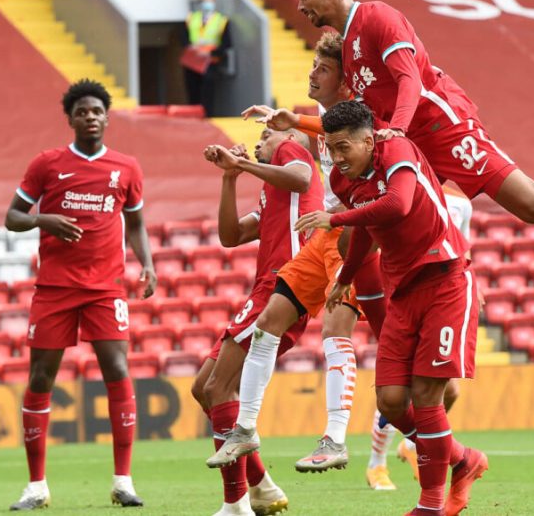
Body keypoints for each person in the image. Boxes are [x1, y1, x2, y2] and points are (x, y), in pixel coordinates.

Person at [282, 0, 534, 224]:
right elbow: (364, 115)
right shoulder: (348, 46)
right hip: (411, 143)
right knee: (382, 227)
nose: (299, 5)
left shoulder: (378, 17)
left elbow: (411, 80)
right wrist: (298, 121)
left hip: (442, 127)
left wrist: (400, 128)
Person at [296, 101, 488, 516]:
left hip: (444, 279)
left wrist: (335, 219)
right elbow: (368, 228)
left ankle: (430, 504)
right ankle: (461, 460)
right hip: (401, 288)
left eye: (345, 147)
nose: (338, 157)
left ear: (369, 140)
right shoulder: (343, 179)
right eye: (331, 148)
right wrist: (346, 277)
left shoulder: (397, 152)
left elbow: (398, 204)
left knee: (426, 394)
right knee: (391, 401)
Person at [5, 79, 157, 511]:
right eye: (82, 112)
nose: (90, 117)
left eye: (97, 111)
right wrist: (44, 220)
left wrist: (147, 263)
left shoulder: (126, 167)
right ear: (70, 119)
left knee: (117, 369)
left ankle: (123, 481)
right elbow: (12, 216)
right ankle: (36, 486)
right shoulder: (47, 164)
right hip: (55, 287)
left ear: (107, 117)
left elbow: (137, 224)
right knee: (40, 379)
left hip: (106, 288)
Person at [241, 32, 389, 475]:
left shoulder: (366, 123)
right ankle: (244, 427)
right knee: (267, 321)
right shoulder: (327, 119)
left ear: (345, 82)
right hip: (324, 232)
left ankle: (337, 438)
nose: (312, 73)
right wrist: (290, 119)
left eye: (322, 69)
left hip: (354, 232)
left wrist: (294, 123)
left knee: (336, 330)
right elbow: (323, 128)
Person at [191, 126, 323, 516]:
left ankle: (236, 506)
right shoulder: (272, 193)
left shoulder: (295, 159)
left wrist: (244, 163)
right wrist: (231, 177)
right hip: (265, 288)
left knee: (219, 387)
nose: (263, 139)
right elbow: (230, 236)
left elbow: (300, 173)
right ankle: (262, 486)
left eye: (269, 134)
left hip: (285, 284)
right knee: (204, 388)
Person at [366, 185, 473, 490]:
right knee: (397, 390)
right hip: (403, 296)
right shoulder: (398, 190)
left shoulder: (460, 201)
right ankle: (377, 464)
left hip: (443, 297)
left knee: (449, 391)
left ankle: (413, 444)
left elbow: (462, 245)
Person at [182, 0, 232, 116]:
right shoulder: (192, 18)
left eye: (210, 1)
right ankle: (194, 116)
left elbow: (226, 43)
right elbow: (183, 38)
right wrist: (192, 48)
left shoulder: (221, 20)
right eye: (205, 0)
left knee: (207, 91)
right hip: (193, 61)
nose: (207, 4)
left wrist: (212, 53)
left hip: (210, 61)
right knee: (193, 90)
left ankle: (207, 116)